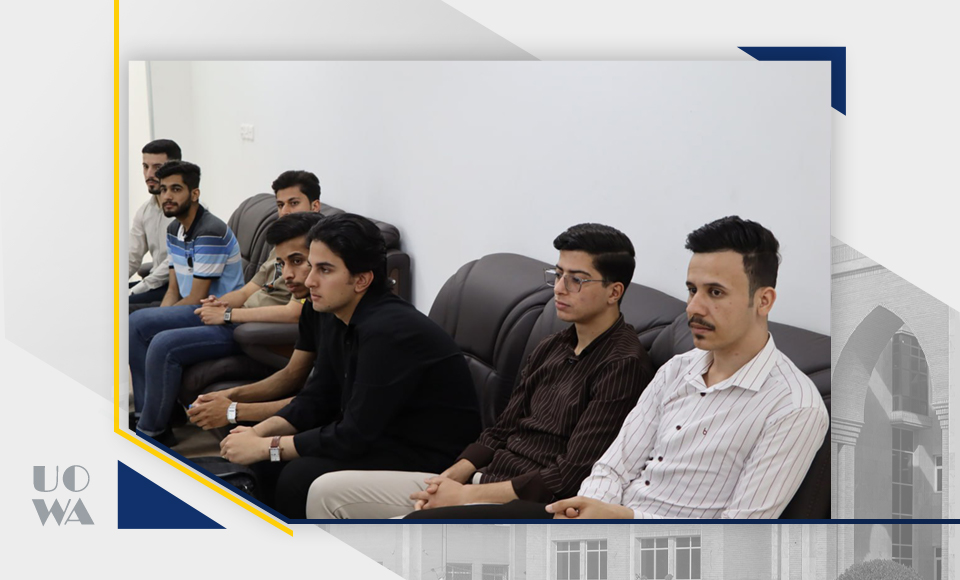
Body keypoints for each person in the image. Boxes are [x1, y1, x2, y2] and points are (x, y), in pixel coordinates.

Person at [307, 223, 654, 520]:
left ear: (614, 292)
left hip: (522, 503)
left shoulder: (622, 365)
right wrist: (450, 479)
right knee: (325, 491)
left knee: (399, 526)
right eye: (558, 274)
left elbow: (568, 475)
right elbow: (501, 429)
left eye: (576, 280)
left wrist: (463, 496)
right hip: (480, 480)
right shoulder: (553, 345)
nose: (560, 288)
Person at [544, 216, 829, 519]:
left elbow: (739, 534)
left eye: (715, 292)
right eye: (693, 290)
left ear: (764, 301)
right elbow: (612, 468)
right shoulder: (676, 369)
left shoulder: (794, 407)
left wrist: (623, 520)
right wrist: (582, 513)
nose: (693, 307)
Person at [216, 213, 481, 519]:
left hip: (428, 456)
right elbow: (316, 398)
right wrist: (255, 434)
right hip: (383, 436)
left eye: (325, 269)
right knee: (266, 461)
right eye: (311, 266)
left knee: (297, 476)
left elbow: (354, 434)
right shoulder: (336, 315)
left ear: (362, 280)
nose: (309, 280)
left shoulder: (389, 331)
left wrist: (268, 446)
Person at [129, 170, 321, 443]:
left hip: (251, 327)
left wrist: (228, 315)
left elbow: (295, 312)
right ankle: (153, 413)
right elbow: (248, 290)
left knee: (163, 344)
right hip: (237, 314)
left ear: (315, 206)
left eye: (294, 203)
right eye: (280, 205)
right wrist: (220, 303)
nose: (285, 211)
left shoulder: (315, 254)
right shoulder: (283, 242)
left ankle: (151, 432)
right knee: (137, 324)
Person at [128, 139, 180, 311]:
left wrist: (135, 290)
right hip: (153, 283)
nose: (149, 174)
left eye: (157, 167)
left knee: (118, 307)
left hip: (176, 287)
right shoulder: (145, 211)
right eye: (145, 167)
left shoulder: (186, 212)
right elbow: (132, 256)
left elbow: (172, 263)